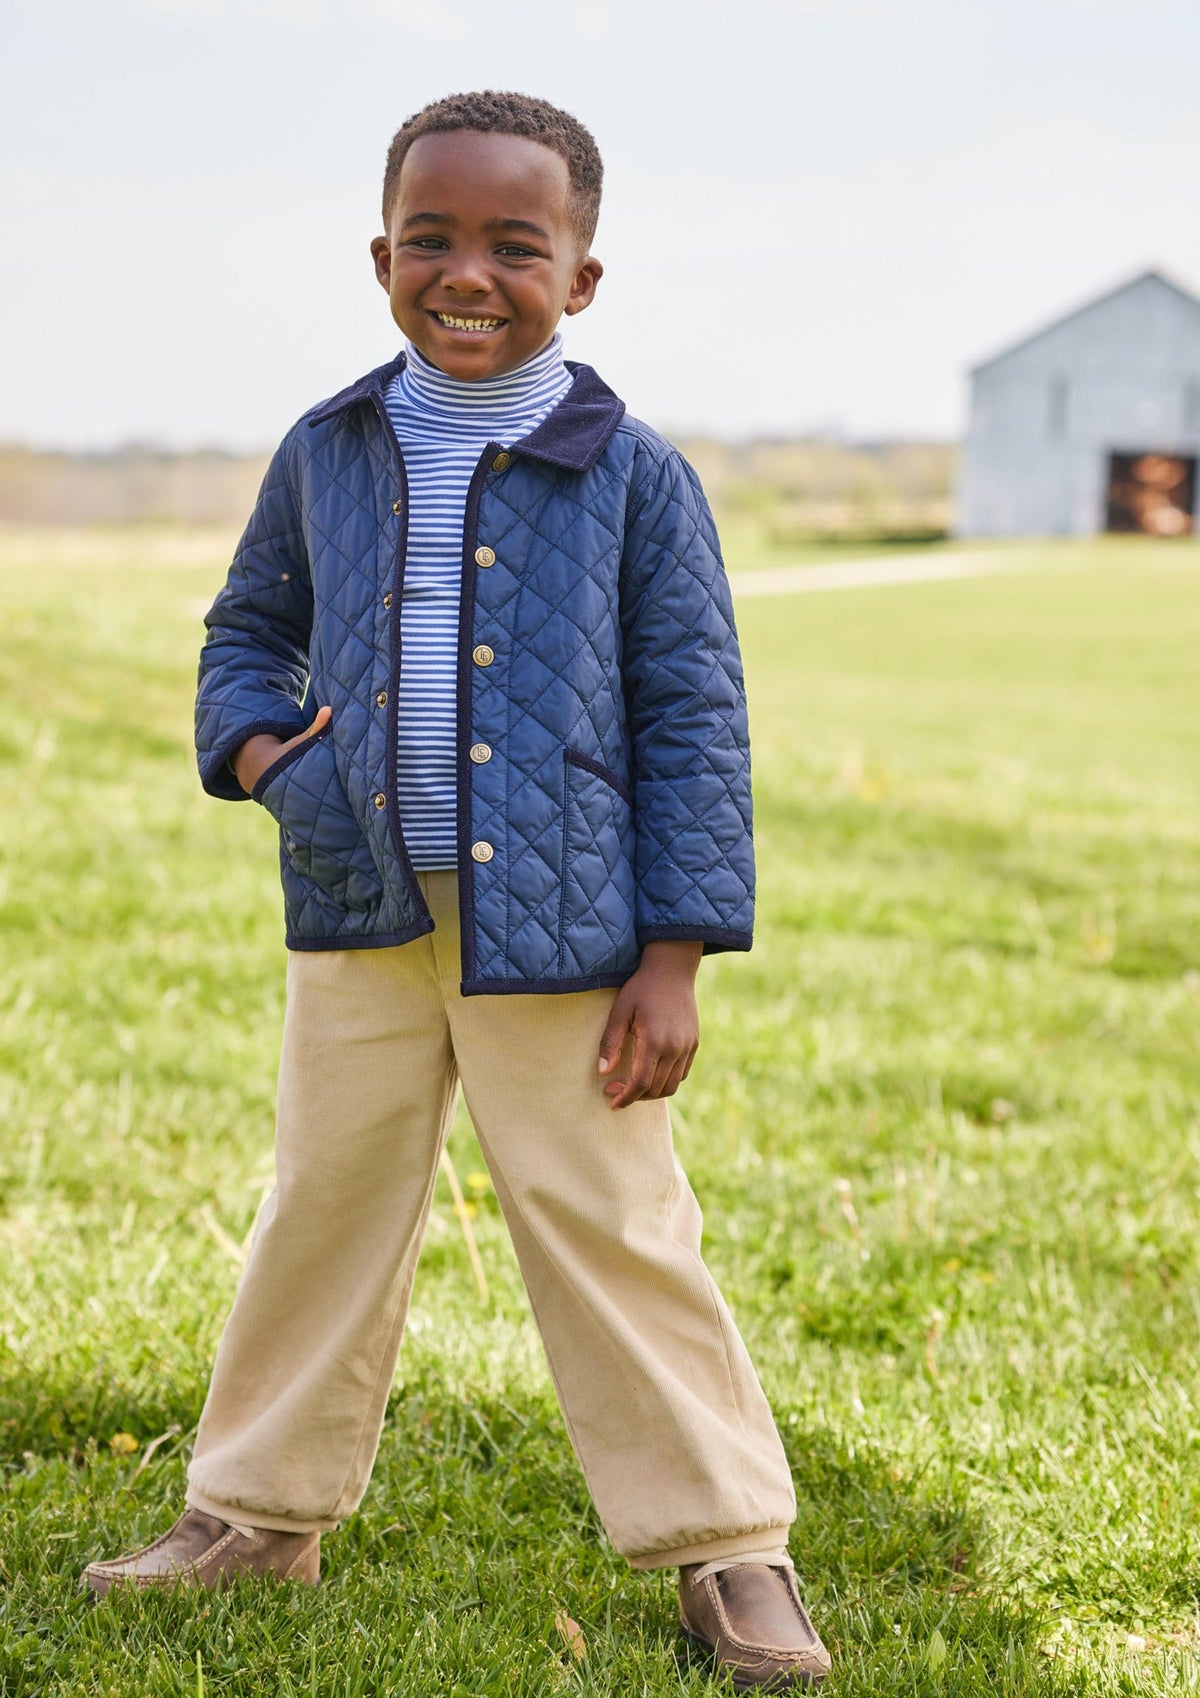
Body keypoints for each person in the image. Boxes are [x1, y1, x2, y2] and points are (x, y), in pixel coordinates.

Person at [81, 90, 830, 1691]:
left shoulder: (630, 473)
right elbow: (244, 629)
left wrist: (677, 954)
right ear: (381, 255)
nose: (468, 274)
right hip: (360, 911)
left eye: (515, 244)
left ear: (584, 274)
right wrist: (265, 756)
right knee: (322, 1205)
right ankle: (257, 1510)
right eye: (434, 239)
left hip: (565, 933)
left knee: (615, 1220)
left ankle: (728, 1548)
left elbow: (699, 715)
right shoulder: (328, 447)